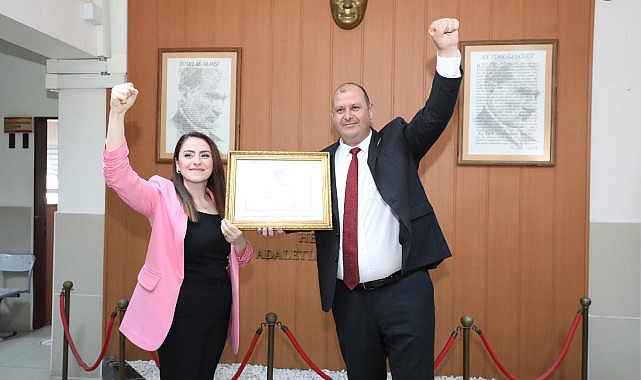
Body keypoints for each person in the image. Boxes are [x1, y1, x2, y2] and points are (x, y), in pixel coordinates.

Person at [260, 17, 462, 380]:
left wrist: (447, 54)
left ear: (371, 111)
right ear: (332, 117)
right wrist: (274, 221)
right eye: (340, 109)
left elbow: (436, 113)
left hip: (405, 294)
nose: (348, 114)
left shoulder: (398, 143)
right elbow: (299, 211)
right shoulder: (317, 165)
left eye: (355, 107)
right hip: (349, 300)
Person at [103, 82, 253, 379]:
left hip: (218, 308)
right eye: (189, 154)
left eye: (205, 155)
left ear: (214, 163)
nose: (197, 160)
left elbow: (243, 258)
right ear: (177, 163)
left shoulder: (222, 202)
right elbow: (117, 175)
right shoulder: (161, 195)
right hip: (178, 309)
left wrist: (240, 241)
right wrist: (115, 115)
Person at [472, 59, 541, 151]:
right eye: (523, 93)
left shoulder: (532, 143)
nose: (532, 107)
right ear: (491, 88)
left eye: (535, 96)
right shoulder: (473, 131)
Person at [165, 65, 230, 153]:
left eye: (223, 99)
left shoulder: (219, 144)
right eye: (212, 96)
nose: (220, 110)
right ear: (185, 93)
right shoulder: (170, 133)